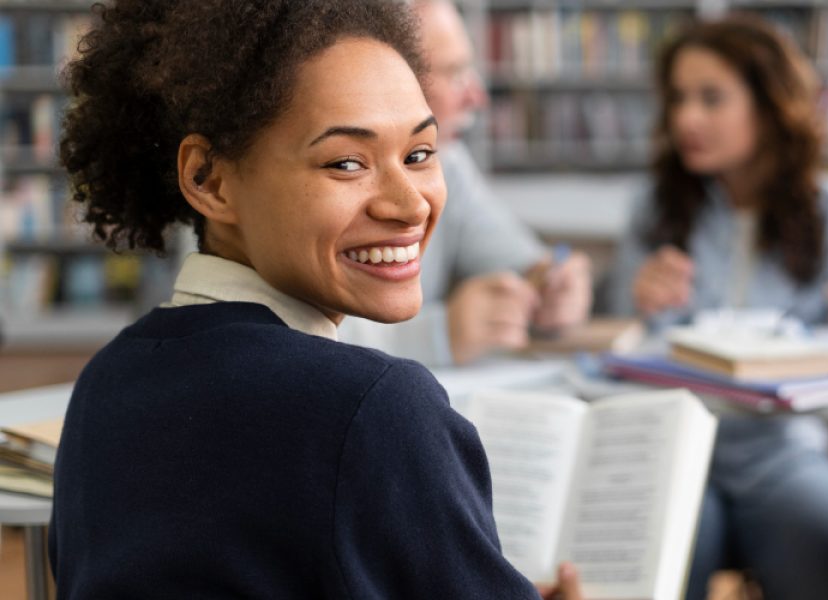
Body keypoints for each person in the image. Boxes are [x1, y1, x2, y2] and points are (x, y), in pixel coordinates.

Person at [47, 1, 582, 597]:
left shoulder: (105, 381)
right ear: (209, 179)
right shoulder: (375, 409)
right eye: (346, 163)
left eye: (419, 155)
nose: (409, 205)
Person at [607, 16, 828, 600]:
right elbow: (611, 344)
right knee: (658, 552)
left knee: (817, 529)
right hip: (676, 445)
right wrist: (634, 302)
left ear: (770, 105)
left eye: (712, 98)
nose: (687, 118)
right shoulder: (654, 207)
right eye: (679, 99)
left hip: (786, 450)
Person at [339, 0, 592, 367]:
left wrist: (553, 288)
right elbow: (292, 334)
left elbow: (523, 265)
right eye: (454, 73)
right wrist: (436, 335)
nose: (477, 96)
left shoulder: (451, 163)